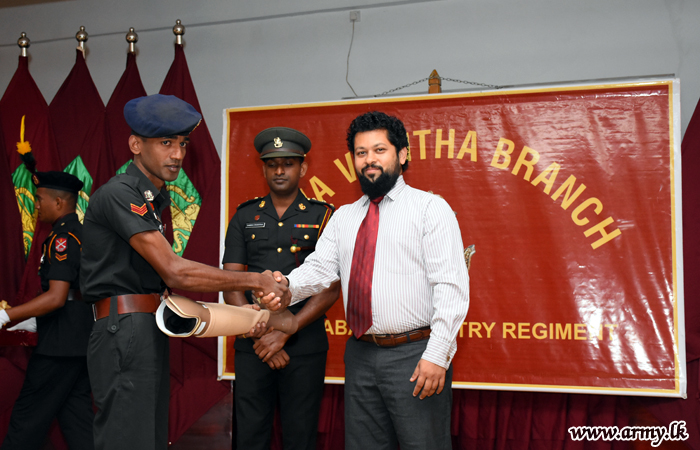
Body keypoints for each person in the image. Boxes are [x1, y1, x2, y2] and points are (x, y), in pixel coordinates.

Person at [79, 94, 288, 450]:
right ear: (135, 145)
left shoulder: (150, 199)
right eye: (166, 143)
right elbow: (176, 273)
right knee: (128, 440)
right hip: (124, 330)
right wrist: (257, 279)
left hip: (145, 326)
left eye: (183, 143)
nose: (177, 154)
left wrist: (243, 316)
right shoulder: (121, 193)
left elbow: (165, 289)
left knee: (149, 439)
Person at [272, 111, 470, 450]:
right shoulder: (344, 217)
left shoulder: (430, 209)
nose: (369, 160)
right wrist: (283, 288)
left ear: (402, 154)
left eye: (380, 150)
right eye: (361, 153)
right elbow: (319, 269)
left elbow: (450, 288)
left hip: (415, 355)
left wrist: (438, 355)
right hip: (360, 354)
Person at [222, 127, 340, 450]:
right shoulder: (244, 216)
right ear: (263, 169)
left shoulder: (323, 216)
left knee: (300, 437)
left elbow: (331, 286)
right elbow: (230, 281)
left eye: (288, 164)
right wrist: (261, 335)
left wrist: (286, 332)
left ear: (303, 168)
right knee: (250, 436)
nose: (279, 171)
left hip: (304, 343)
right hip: (253, 344)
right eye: (272, 164)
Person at [0, 171, 94, 450]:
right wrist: (33, 320)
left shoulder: (63, 238)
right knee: (78, 422)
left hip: (59, 347)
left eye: (40, 199)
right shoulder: (80, 234)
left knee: (26, 420)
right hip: (79, 341)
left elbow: (56, 298)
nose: (36, 205)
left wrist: (7, 316)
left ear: (59, 202)